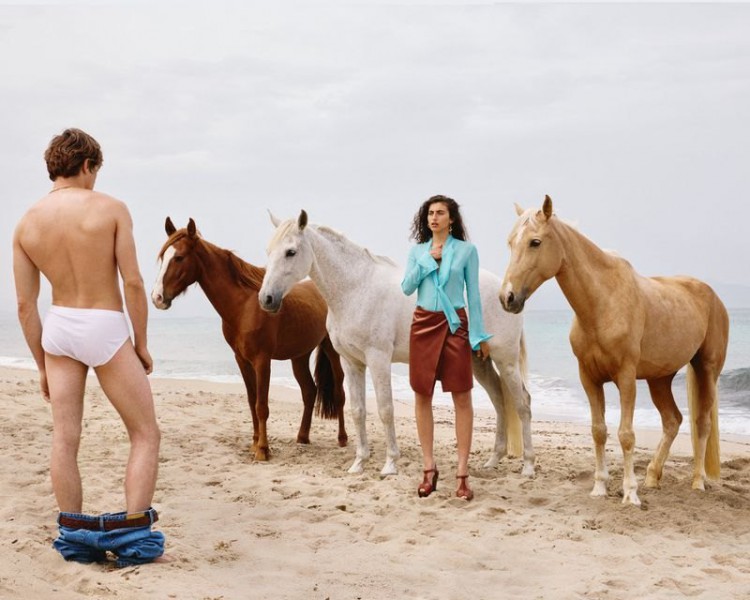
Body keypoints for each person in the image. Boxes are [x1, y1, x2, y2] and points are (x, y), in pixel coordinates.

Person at [12, 127, 165, 566]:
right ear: (86, 165)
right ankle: (134, 538)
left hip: (60, 327)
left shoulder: (26, 223)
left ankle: (74, 538)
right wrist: (141, 343)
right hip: (105, 325)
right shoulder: (111, 208)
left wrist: (42, 365)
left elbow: (25, 305)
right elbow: (132, 282)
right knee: (145, 433)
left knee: (65, 437)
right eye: (95, 170)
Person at [401, 194, 491, 501]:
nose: (434, 218)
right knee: (421, 394)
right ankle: (429, 468)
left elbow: (473, 295)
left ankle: (462, 473)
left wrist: (478, 336)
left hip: (455, 326)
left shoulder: (467, 251)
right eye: (430, 213)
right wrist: (429, 260)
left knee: (462, 395)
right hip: (423, 324)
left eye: (440, 213)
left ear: (451, 219)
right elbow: (406, 287)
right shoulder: (417, 251)